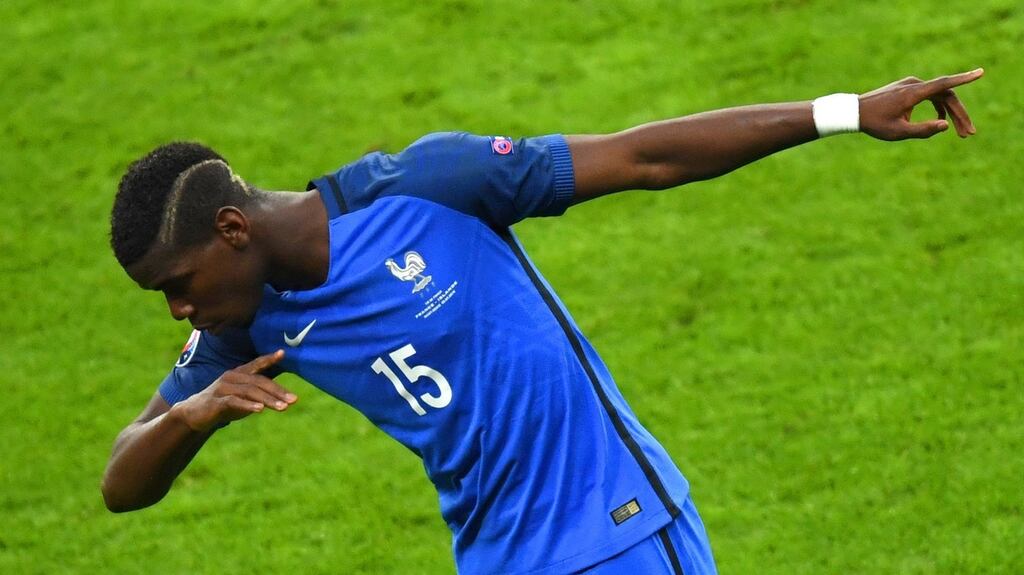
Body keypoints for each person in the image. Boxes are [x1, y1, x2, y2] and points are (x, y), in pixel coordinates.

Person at [102, 69, 982, 574]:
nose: (179, 310)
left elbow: (644, 157)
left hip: (621, 532)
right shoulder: (242, 324)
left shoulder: (426, 188)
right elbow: (121, 479)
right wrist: (192, 414)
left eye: (177, 285)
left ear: (233, 229)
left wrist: (843, 112)